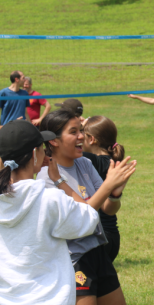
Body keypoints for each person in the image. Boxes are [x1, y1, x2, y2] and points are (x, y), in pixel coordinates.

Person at [37, 109, 136, 305]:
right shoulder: (46, 177)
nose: (81, 136)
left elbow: (107, 209)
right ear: (54, 141)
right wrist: (107, 186)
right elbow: (82, 216)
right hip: (74, 258)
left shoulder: (85, 164)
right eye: (73, 132)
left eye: (81, 130)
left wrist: (115, 195)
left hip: (97, 249)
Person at [0, 120, 100, 305]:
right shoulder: (49, 199)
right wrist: (59, 180)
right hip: (51, 298)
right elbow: (89, 219)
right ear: (34, 155)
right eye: (41, 149)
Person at [82, 116, 126, 262]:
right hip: (112, 234)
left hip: (98, 236)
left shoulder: (91, 160)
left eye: (82, 133)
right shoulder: (113, 162)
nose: (79, 137)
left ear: (91, 139)